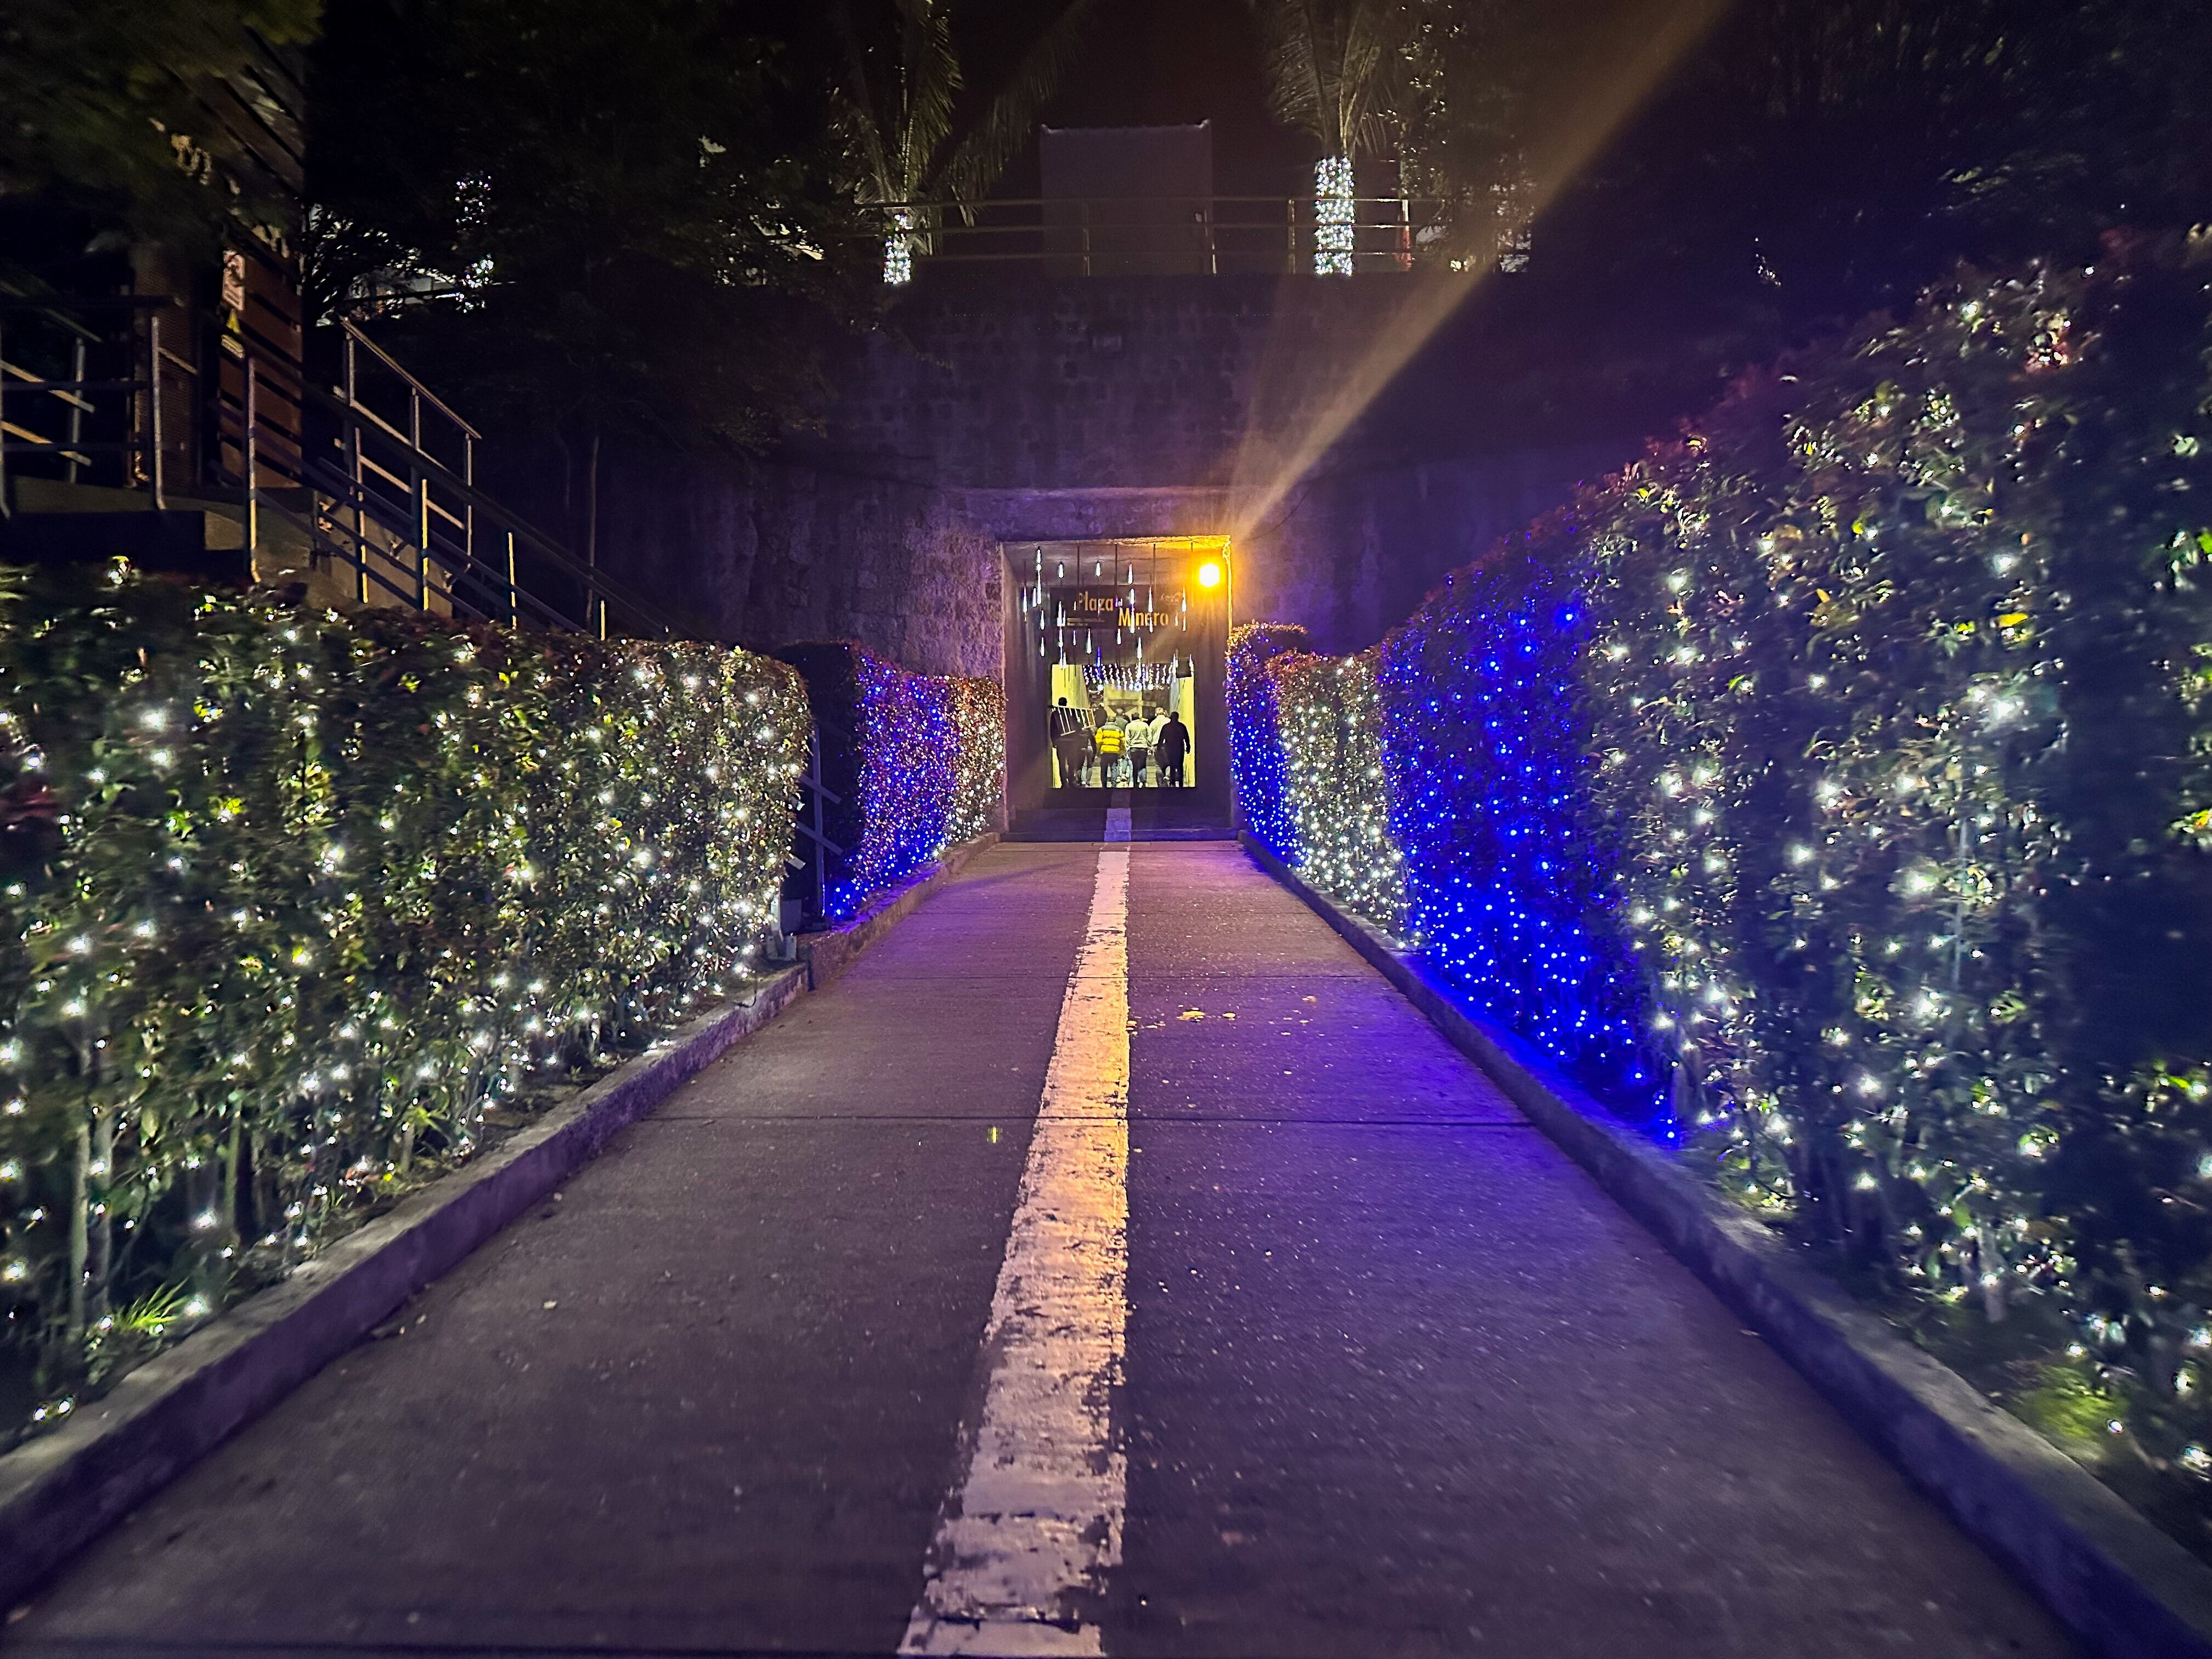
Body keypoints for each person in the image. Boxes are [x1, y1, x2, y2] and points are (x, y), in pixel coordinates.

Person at [1049, 696, 1089, 789]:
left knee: (1062, 763)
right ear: (1066, 703)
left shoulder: (1055, 714)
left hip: (1061, 743)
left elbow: (1053, 729)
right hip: (1072, 742)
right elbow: (1078, 726)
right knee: (1072, 762)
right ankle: (1072, 781)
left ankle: (1064, 783)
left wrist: (1054, 741)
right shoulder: (1071, 713)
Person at [1155, 708, 1189, 787]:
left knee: (1172, 765)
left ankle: (1173, 781)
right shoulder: (1181, 727)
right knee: (1180, 765)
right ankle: (1180, 783)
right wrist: (1188, 747)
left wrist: (1159, 747)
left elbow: (1161, 738)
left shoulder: (1166, 727)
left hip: (1169, 748)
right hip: (1179, 748)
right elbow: (1186, 738)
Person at [1092, 712, 1125, 786]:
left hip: (1105, 752)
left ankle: (1104, 785)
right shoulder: (1119, 730)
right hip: (1115, 752)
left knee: (1104, 768)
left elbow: (1098, 742)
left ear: (1107, 720)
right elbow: (1122, 742)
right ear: (1115, 721)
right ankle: (1114, 784)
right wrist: (1121, 752)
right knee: (1114, 768)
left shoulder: (1102, 729)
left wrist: (1097, 752)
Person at [1125, 706, 1153, 787]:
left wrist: (1128, 748)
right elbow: (1149, 737)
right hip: (1143, 748)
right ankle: (1143, 782)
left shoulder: (1129, 726)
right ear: (1139, 718)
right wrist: (1149, 745)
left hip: (1133, 748)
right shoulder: (1145, 725)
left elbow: (1127, 739)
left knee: (1135, 766)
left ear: (1132, 718)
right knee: (1143, 765)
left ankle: (1135, 784)